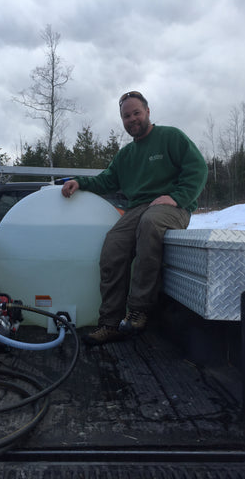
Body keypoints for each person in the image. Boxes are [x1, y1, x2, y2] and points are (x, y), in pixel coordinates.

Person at [62, 91, 208, 345]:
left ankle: (138, 310)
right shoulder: (126, 155)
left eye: (136, 113)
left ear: (148, 112)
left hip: (171, 208)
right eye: (126, 116)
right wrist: (79, 182)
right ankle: (110, 323)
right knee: (113, 246)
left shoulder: (170, 137)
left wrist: (178, 197)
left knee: (150, 223)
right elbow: (105, 180)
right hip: (138, 209)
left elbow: (197, 167)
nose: (132, 119)